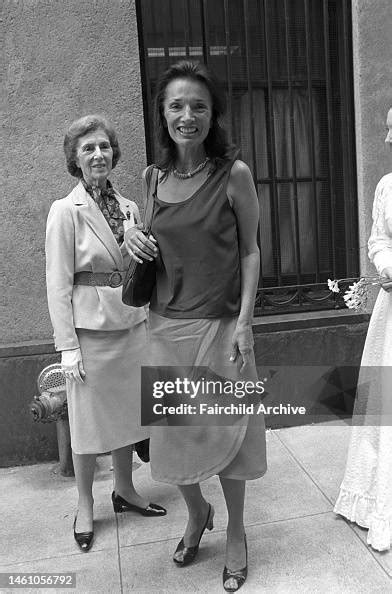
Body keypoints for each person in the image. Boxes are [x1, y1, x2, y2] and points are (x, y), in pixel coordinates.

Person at [124, 61, 267, 591]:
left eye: (199, 106)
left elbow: (250, 252)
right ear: (162, 115)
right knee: (174, 441)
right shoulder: (152, 178)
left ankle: (237, 534)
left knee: (230, 436)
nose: (188, 115)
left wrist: (246, 323)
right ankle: (196, 513)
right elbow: (153, 250)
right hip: (163, 326)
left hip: (222, 326)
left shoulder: (233, 174)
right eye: (176, 105)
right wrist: (133, 244)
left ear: (213, 114)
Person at [45, 114, 166, 553]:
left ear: (114, 153)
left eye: (104, 146)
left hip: (132, 323)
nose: (98, 154)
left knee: (128, 416)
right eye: (88, 148)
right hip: (90, 333)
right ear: (75, 160)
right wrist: (67, 348)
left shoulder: (131, 206)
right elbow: (57, 282)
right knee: (87, 423)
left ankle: (126, 490)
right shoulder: (65, 210)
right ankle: (83, 504)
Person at [334, 107, 392, 551]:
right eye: (388, 130)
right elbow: (378, 238)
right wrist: (386, 264)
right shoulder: (386, 187)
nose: (389, 140)